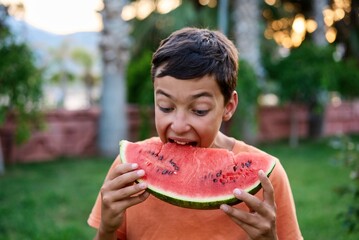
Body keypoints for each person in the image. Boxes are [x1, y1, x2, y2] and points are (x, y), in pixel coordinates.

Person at [88, 27, 303, 240]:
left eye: (199, 110)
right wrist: (106, 229)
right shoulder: (128, 171)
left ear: (228, 106)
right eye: (165, 106)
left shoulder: (267, 178)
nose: (179, 125)